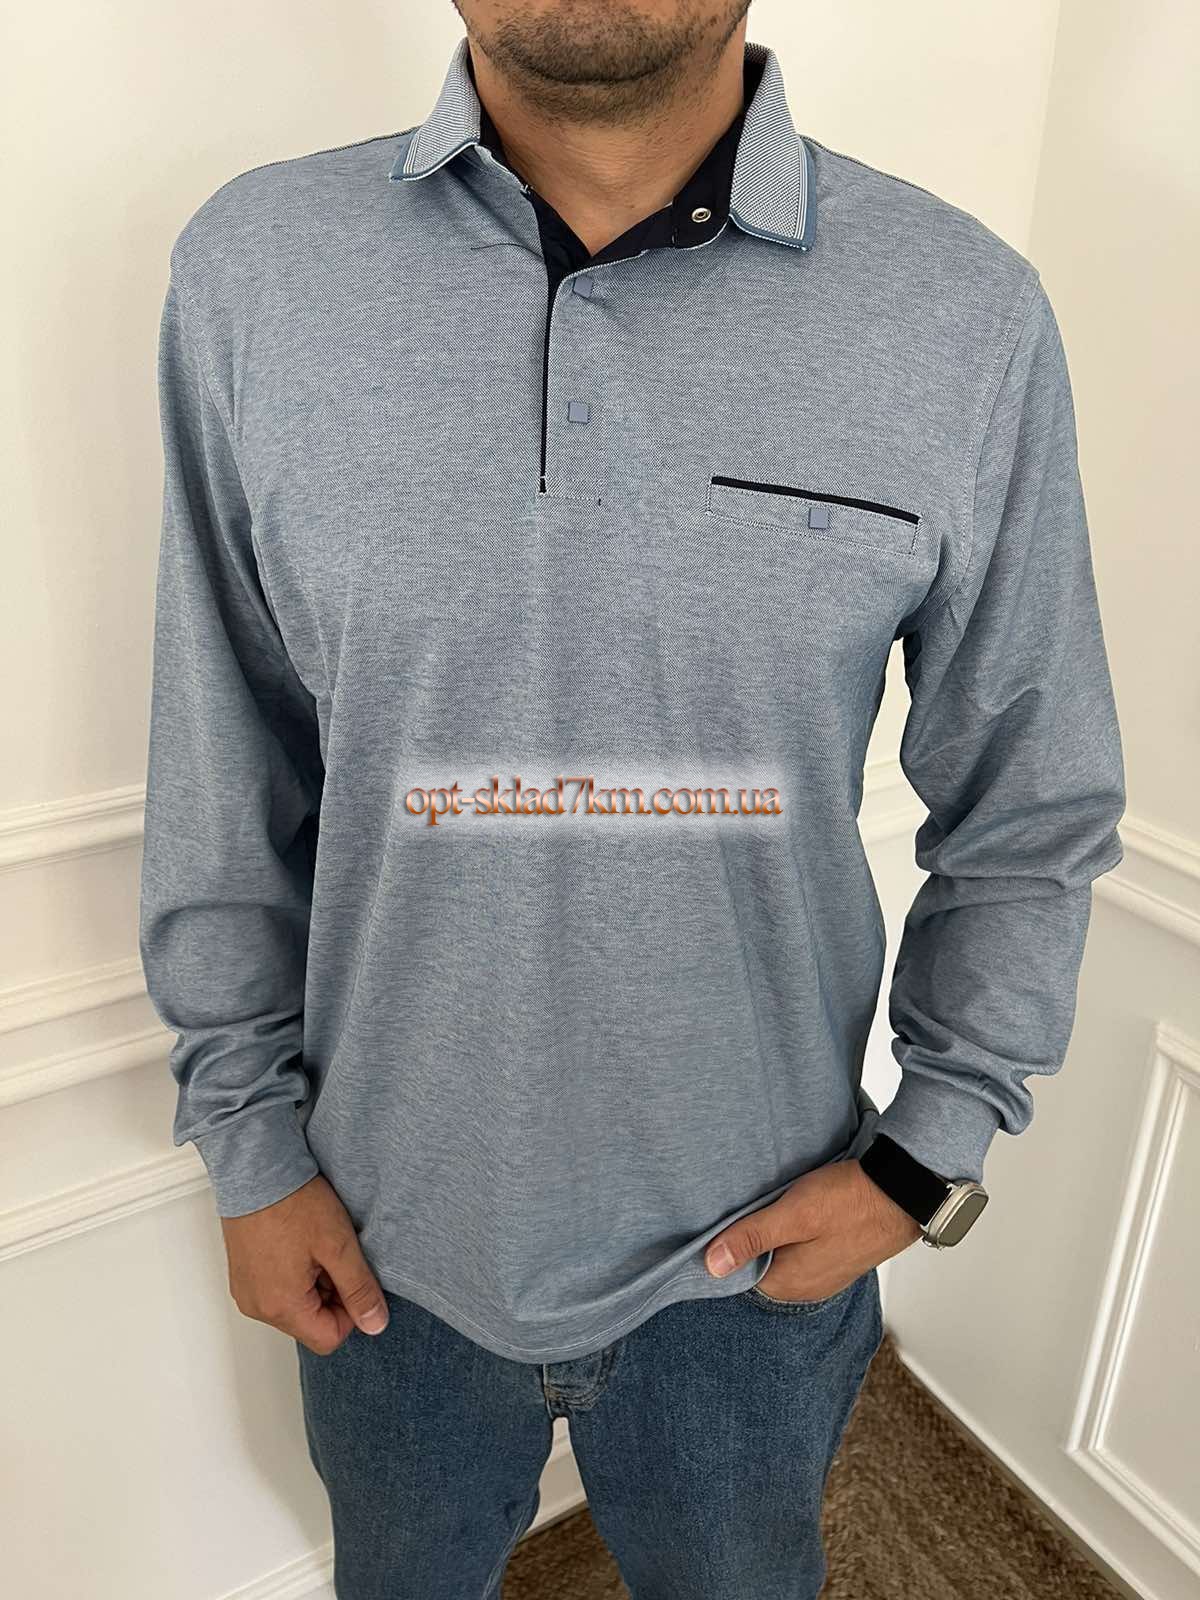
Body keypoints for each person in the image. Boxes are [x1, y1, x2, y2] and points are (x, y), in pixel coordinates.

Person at [139, 2, 1126, 1595]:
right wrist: (247, 1147)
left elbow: (1033, 795)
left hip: (758, 1267)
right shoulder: (256, 272)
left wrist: (927, 1158)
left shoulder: (964, 317)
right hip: (380, 1247)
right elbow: (223, 752)